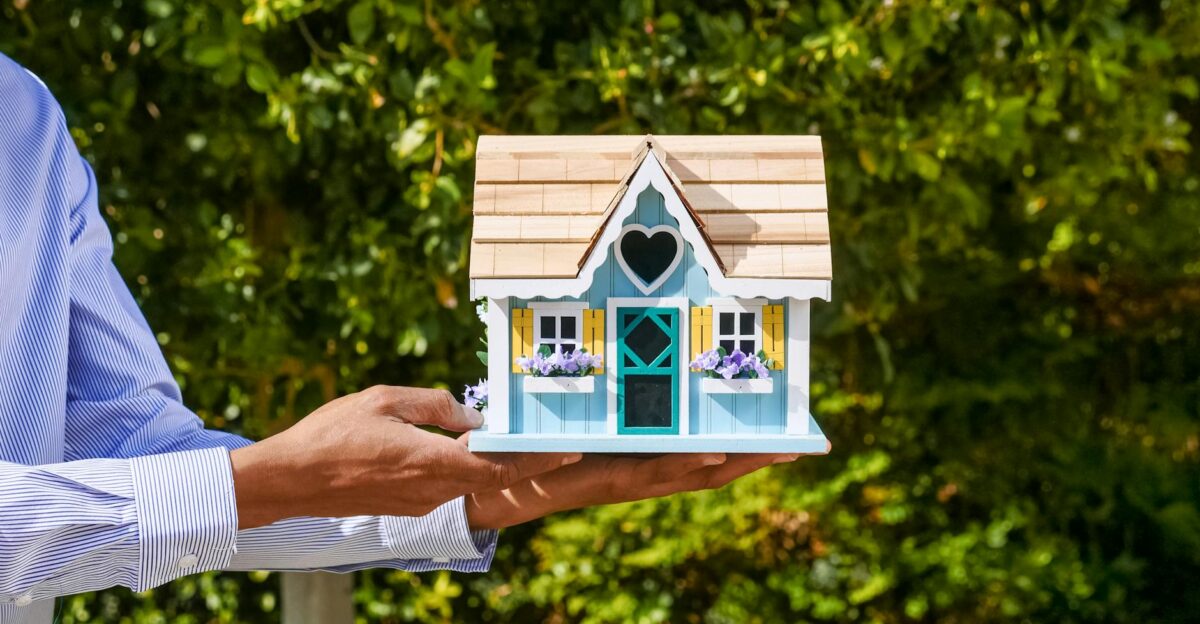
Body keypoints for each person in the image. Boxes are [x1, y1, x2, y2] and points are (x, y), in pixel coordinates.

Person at [0, 52, 810, 622]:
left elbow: (136, 455)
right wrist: (279, 478)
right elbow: (218, 489)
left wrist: (487, 491)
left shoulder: (26, 120)